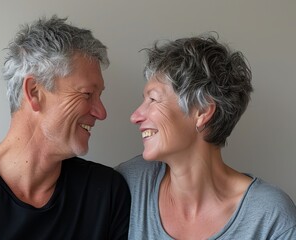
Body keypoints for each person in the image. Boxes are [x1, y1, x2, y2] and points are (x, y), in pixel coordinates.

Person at [0, 16, 130, 240]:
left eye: (99, 96)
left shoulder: (106, 193)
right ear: (35, 92)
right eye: (87, 94)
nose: (101, 112)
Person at [116, 35, 296, 239]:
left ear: (202, 112)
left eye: (153, 99)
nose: (135, 116)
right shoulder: (130, 184)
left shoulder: (270, 217)